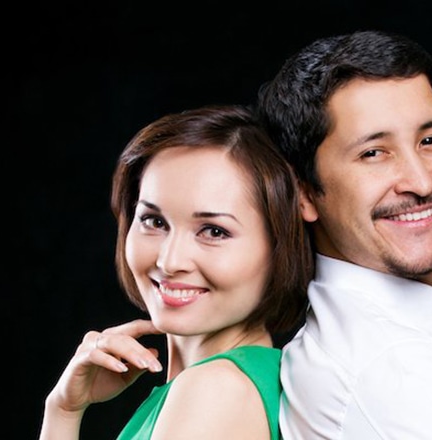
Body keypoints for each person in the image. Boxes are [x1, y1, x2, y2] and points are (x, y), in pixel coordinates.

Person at [256, 30, 432, 439]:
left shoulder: (364, 343)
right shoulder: (396, 371)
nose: (421, 181)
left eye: (429, 140)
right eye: (374, 153)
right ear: (304, 193)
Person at [38, 105, 312, 440]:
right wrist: (64, 410)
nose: (169, 261)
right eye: (154, 221)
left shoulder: (215, 391)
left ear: (280, 248)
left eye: (213, 231)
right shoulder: (232, 382)